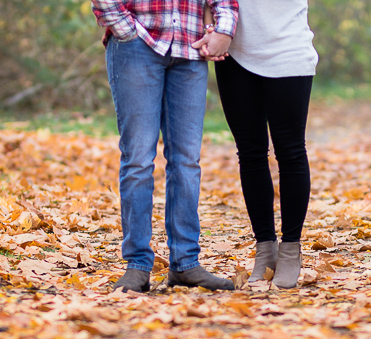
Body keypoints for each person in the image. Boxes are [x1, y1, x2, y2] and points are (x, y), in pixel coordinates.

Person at [92, 0, 240, 293]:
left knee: (187, 161)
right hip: (137, 44)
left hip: (190, 47)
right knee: (138, 159)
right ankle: (137, 265)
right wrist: (126, 30)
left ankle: (185, 264)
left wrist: (224, 30)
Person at [207, 0, 318, 289]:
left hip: (287, 48)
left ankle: (291, 249)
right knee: (251, 153)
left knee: (291, 151)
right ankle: (265, 249)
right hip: (234, 52)